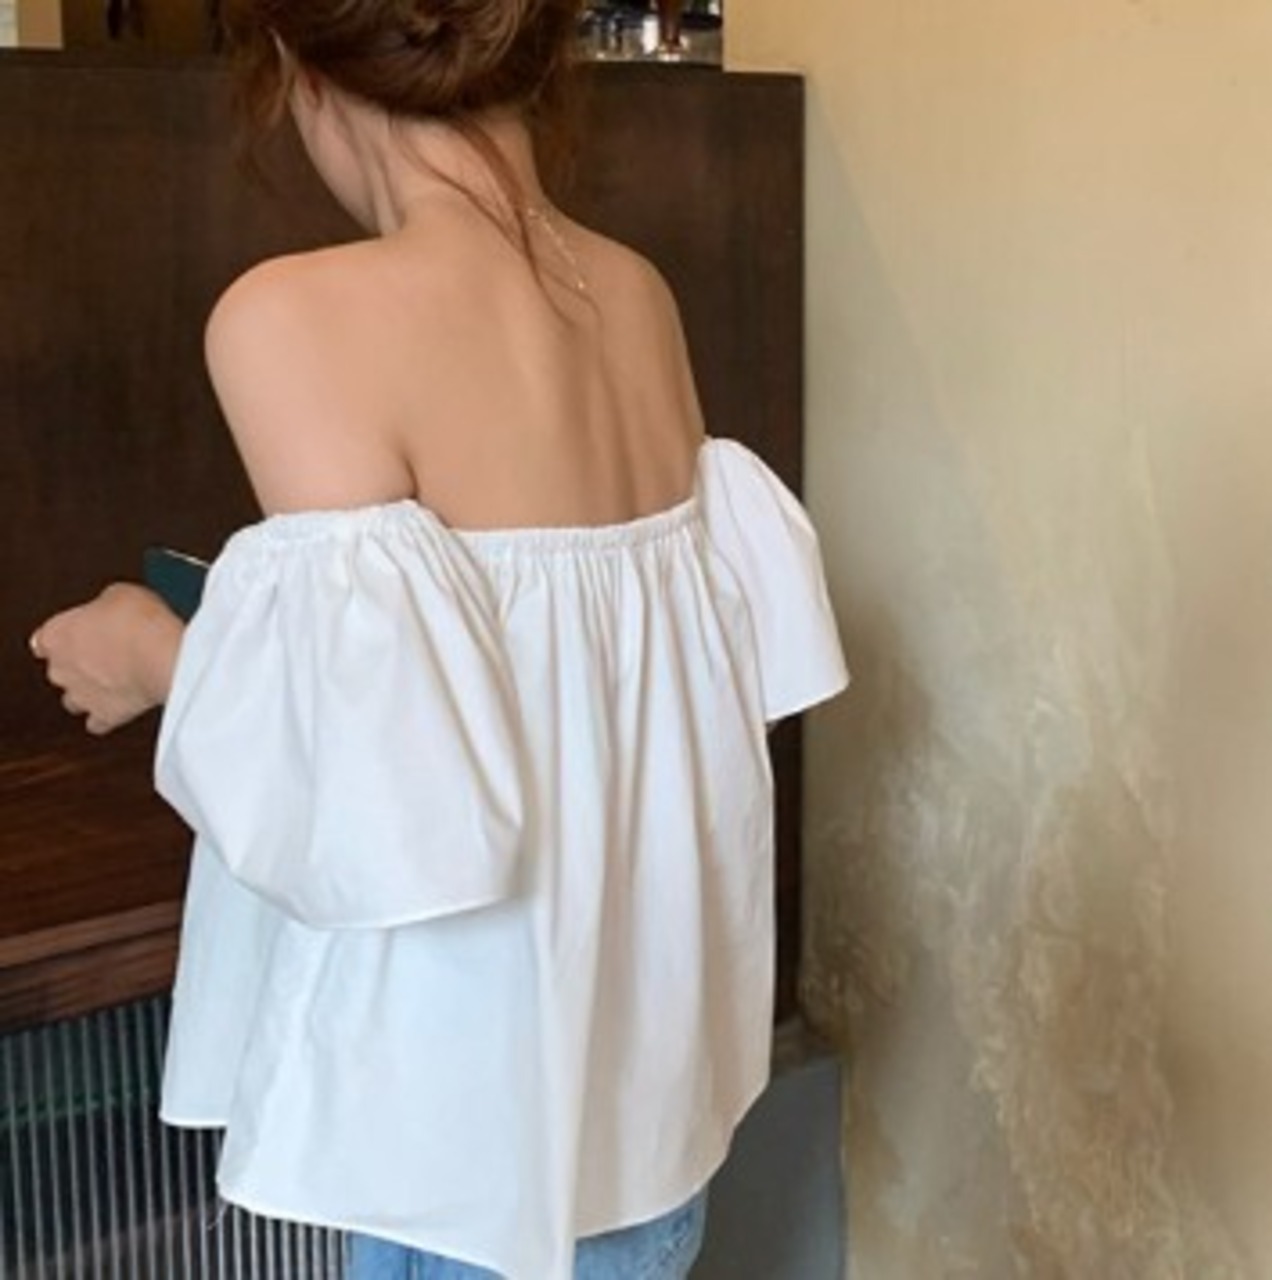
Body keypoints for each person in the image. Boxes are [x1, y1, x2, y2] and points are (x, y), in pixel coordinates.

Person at [28, 1, 849, 1276]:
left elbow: (371, 783)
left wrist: (152, 655)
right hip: (643, 1112)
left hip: (468, 1139)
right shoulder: (633, 293)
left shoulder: (292, 315)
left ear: (296, 72)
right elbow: (612, 689)